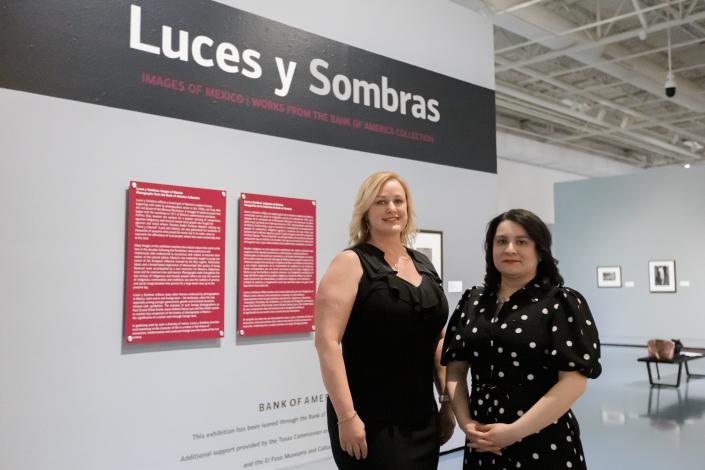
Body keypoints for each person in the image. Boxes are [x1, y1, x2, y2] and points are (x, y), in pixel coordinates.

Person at [315, 171, 454, 469]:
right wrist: (346, 417)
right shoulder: (350, 263)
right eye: (381, 202)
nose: (391, 208)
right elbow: (327, 343)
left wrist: (447, 401)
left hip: (421, 415)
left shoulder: (423, 264)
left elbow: (439, 338)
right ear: (366, 211)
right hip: (369, 420)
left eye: (398, 201)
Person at [442, 209, 601, 470]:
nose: (510, 249)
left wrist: (514, 432)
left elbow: (573, 383)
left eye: (522, 241)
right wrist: (466, 423)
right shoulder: (473, 302)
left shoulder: (561, 303)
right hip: (482, 442)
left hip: (543, 441)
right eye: (501, 241)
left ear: (540, 251)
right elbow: (456, 369)